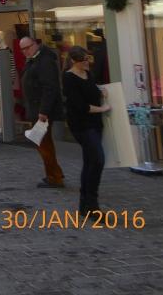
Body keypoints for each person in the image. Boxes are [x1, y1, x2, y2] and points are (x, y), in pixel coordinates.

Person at [63, 45, 110, 213]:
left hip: (95, 123)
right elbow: (81, 106)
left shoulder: (88, 74)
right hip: (81, 125)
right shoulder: (69, 78)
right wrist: (103, 109)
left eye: (88, 59)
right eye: (83, 60)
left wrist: (101, 91)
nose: (87, 62)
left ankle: (85, 204)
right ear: (74, 61)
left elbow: (91, 90)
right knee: (98, 160)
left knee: (90, 161)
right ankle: (92, 204)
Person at [19, 36, 66, 189]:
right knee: (44, 143)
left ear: (35, 44)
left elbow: (49, 87)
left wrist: (43, 111)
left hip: (41, 111)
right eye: (22, 49)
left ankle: (55, 177)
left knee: (43, 144)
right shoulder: (35, 59)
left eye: (27, 47)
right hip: (37, 108)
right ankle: (54, 174)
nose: (25, 51)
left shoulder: (44, 61)